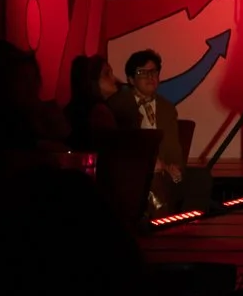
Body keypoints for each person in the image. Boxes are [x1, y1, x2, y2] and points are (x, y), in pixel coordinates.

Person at [107, 49, 187, 213]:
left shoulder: (167, 108)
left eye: (153, 72)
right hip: (133, 172)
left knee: (201, 179)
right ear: (130, 79)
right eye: (142, 72)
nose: (150, 77)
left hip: (163, 171)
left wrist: (174, 167)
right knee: (152, 179)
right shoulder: (118, 105)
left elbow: (173, 149)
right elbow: (122, 148)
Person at [64, 54, 118, 139]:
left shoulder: (71, 110)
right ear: (91, 81)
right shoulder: (100, 112)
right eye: (107, 74)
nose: (114, 78)